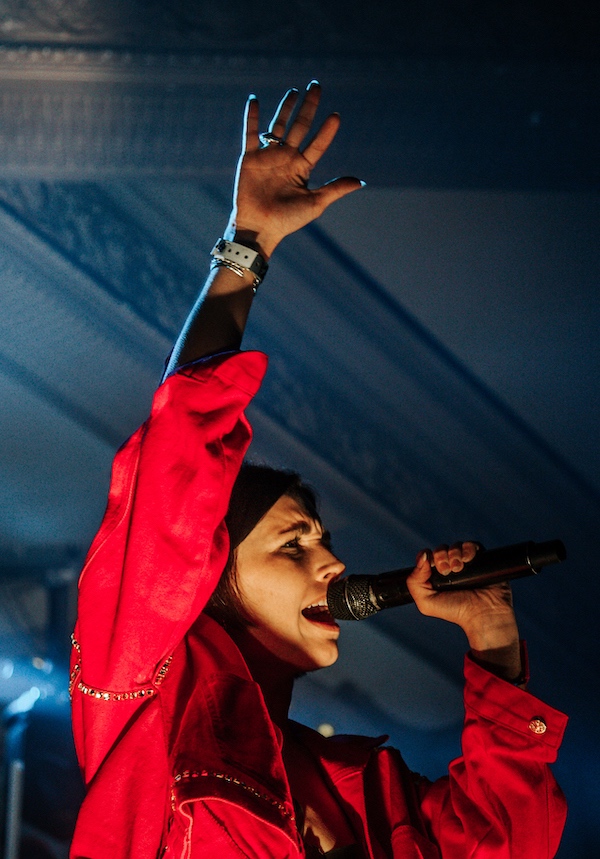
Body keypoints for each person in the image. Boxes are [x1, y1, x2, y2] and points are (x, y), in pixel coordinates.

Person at [69, 82, 567, 859]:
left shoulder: (357, 786)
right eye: (292, 543)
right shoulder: (149, 694)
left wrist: (495, 639)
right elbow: (176, 455)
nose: (332, 558)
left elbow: (504, 844)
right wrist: (248, 243)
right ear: (208, 570)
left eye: (317, 537)